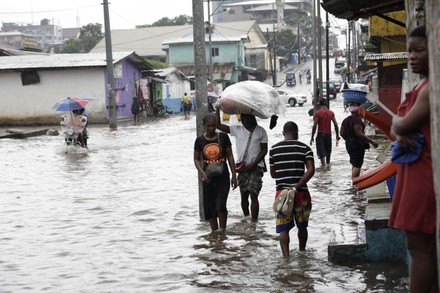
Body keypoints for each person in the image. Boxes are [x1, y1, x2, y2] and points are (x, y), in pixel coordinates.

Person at [388, 26, 438, 293]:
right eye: (409, 51)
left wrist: (397, 125)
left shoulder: (431, 87)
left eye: (418, 50)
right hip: (415, 170)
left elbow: (402, 125)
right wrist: (397, 127)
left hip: (422, 173)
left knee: (419, 246)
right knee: (422, 246)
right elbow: (397, 128)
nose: (412, 57)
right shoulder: (422, 85)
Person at [269, 121, 315, 258]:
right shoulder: (305, 148)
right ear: (297, 132)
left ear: (283, 133)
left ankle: (286, 259)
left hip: (281, 194)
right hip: (301, 193)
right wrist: (297, 186)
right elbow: (311, 170)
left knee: (283, 229)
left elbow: (273, 174)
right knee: (302, 226)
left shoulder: (274, 149)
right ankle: (302, 252)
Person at [216, 108, 268, 221]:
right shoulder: (237, 130)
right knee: (244, 196)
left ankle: (254, 222)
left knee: (254, 195)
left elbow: (264, 150)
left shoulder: (261, 131)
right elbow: (218, 125)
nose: (244, 121)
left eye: (246, 118)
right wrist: (216, 109)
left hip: (256, 167)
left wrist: (254, 164)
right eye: (242, 118)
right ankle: (246, 218)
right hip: (242, 168)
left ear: (252, 118)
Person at [193, 113, 238, 232]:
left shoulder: (223, 137)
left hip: (223, 177)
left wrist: (234, 175)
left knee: (221, 205)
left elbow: (230, 156)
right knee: (210, 208)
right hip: (208, 178)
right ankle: (214, 233)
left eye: (213, 126)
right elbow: (196, 159)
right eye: (209, 126)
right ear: (204, 126)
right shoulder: (199, 141)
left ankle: (222, 232)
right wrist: (203, 174)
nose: (211, 128)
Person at [340, 102, 378, 178]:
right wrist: (372, 142)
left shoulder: (345, 120)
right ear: (358, 111)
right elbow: (359, 133)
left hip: (349, 143)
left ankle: (353, 183)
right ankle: (355, 184)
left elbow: (341, 133)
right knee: (357, 164)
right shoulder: (357, 120)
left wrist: (348, 140)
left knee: (354, 163)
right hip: (357, 143)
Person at [310, 98, 340, 166]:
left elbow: (315, 125)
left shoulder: (317, 113)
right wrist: (337, 136)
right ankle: (328, 166)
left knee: (321, 153)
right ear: (326, 104)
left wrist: (312, 137)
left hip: (321, 134)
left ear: (320, 104)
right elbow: (335, 124)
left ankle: (323, 168)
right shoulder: (331, 112)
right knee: (328, 152)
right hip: (328, 135)